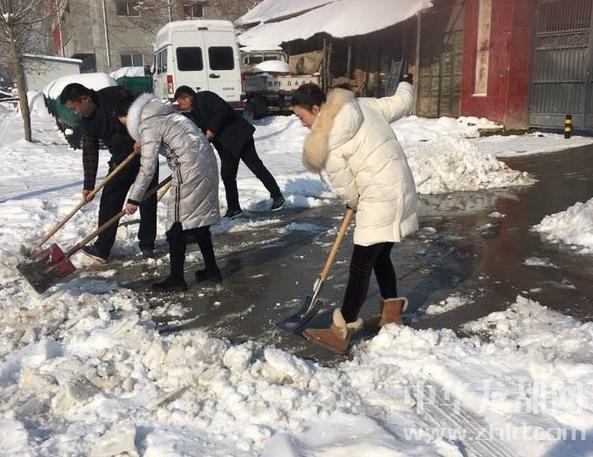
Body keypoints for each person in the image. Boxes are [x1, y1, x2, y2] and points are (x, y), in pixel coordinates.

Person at [291, 75, 418, 354]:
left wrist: (353, 201)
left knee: (360, 266)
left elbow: (347, 188)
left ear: (316, 109)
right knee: (380, 256)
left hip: (378, 197)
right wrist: (405, 82)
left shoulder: (328, 138)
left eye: (301, 117)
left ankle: (341, 330)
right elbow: (401, 102)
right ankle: (391, 316)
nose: (302, 124)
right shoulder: (363, 105)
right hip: (400, 187)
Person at [116, 93, 222, 291]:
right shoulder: (166, 114)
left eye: (126, 124)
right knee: (198, 222)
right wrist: (144, 142)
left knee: (176, 225)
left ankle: (176, 279)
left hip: (188, 170)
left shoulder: (148, 124)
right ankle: (212, 270)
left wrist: (134, 199)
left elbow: (147, 168)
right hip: (206, 164)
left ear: (132, 117)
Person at [60, 83, 158, 263]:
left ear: (85, 99)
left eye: (74, 108)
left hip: (145, 154)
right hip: (120, 161)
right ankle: (102, 249)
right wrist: (89, 185)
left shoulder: (115, 95)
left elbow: (144, 109)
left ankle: (147, 245)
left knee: (147, 200)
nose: (75, 112)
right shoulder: (87, 123)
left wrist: (142, 136)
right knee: (109, 202)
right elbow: (90, 152)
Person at [173, 86, 285, 219]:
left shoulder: (206, 97)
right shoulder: (195, 110)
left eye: (180, 102)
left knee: (256, 167)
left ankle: (277, 195)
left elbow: (223, 111)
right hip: (226, 145)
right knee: (227, 175)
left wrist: (211, 130)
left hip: (240, 136)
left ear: (187, 97)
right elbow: (204, 131)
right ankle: (234, 208)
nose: (180, 106)